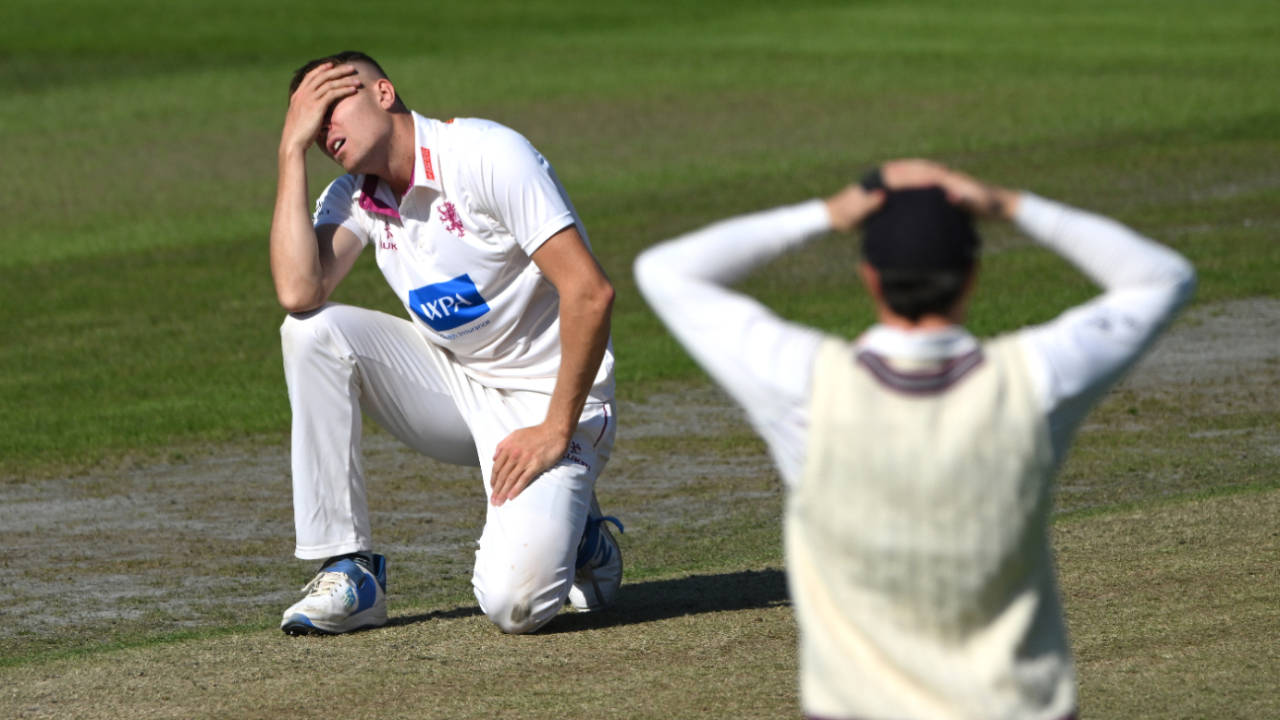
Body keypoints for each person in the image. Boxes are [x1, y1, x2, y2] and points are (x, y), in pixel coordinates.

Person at [634, 159, 1195, 719]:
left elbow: (666, 271)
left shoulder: (808, 388)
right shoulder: (1036, 380)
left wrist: (831, 212)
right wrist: (1006, 204)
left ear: (869, 277)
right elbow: (1163, 276)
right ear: (972, 276)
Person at [269, 51, 622, 636]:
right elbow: (297, 290)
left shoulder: (487, 155)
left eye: (333, 105)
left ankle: (583, 534)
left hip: (552, 401)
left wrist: (555, 430)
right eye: (309, 121)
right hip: (455, 386)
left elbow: (590, 293)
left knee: (515, 606)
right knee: (310, 330)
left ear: (383, 93)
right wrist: (287, 151)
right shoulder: (355, 196)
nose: (322, 129)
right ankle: (349, 569)